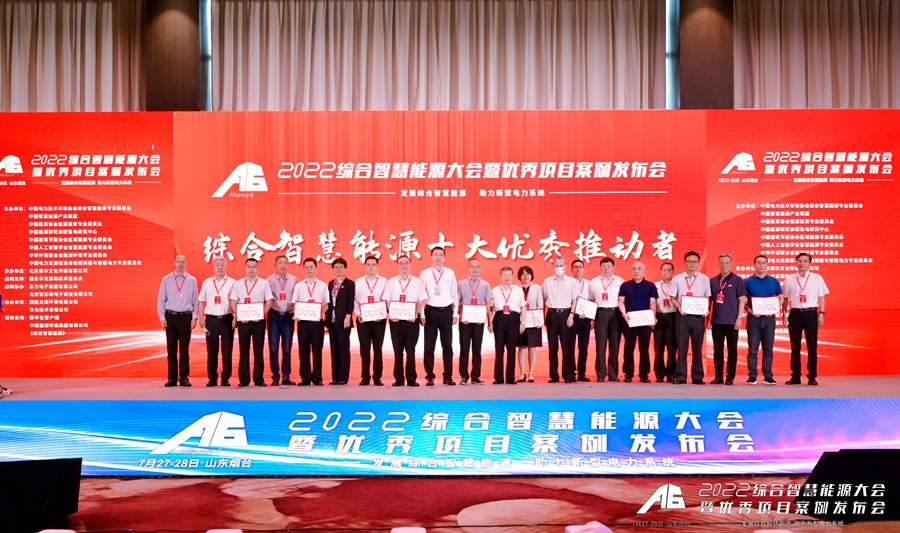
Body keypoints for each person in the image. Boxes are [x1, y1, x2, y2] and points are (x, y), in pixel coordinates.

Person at [782, 252, 829, 386]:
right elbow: (785, 298)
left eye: (805, 261)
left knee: (812, 346)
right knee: (795, 346)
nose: (802, 263)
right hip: (795, 313)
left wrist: (821, 313)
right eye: (799, 261)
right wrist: (784, 314)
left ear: (809, 263)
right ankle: (795, 376)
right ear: (796, 263)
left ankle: (812, 376)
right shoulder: (790, 279)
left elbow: (821, 297)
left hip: (811, 313)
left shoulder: (817, 278)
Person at [229, 258, 274, 387]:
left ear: (258, 268)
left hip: (258, 321)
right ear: (245, 268)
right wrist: (238, 314)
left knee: (258, 350)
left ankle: (259, 379)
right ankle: (244, 379)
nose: (251, 269)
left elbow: (269, 302)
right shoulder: (238, 284)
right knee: (244, 350)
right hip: (243, 321)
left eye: (254, 266)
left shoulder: (264, 283)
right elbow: (233, 302)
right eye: (249, 266)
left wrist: (261, 314)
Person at [384, 255, 428, 386]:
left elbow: (421, 300)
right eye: (401, 263)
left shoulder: (417, 282)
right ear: (397, 265)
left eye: (406, 263)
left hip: (412, 320)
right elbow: (387, 300)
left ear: (410, 265)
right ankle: (398, 379)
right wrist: (392, 313)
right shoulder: (391, 282)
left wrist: (417, 314)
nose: (404, 265)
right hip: (396, 321)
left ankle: (411, 378)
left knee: (411, 350)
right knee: (397, 350)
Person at [669, 251, 711, 385]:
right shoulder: (677, 279)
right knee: (682, 347)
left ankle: (697, 376)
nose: (692, 264)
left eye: (694, 261)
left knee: (697, 348)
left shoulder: (704, 279)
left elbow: (707, 297)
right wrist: (680, 307)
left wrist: (705, 309)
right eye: (689, 261)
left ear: (698, 263)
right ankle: (681, 376)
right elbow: (672, 297)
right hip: (682, 317)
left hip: (698, 317)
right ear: (685, 263)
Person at [420, 247, 459, 386]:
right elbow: (421, 295)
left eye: (441, 255)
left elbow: (454, 294)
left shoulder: (450, 273)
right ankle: (429, 376)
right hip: (430, 311)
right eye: (435, 255)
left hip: (446, 311)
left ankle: (447, 376)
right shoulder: (424, 274)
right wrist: (422, 314)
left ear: (444, 258)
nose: (438, 257)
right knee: (429, 347)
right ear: (431, 257)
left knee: (447, 346)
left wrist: (455, 312)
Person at [157, 254, 198, 387]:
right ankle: (172, 378)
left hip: (186, 317)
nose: (180, 264)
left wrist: (194, 317)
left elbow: (195, 301)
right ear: (174, 263)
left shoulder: (192, 280)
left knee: (184, 350)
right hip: (171, 317)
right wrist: (162, 317)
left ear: (186, 263)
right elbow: (161, 300)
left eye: (183, 262)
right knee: (172, 350)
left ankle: (184, 377)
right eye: (178, 262)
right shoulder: (166, 279)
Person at [709, 253, 747, 386]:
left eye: (726, 263)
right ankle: (718, 376)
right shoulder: (713, 281)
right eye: (722, 263)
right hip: (717, 321)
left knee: (732, 350)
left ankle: (730, 376)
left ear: (731, 264)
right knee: (717, 350)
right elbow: (710, 301)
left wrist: (739, 318)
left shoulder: (738, 280)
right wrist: (709, 317)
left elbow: (742, 300)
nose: (724, 265)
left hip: (732, 321)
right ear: (718, 264)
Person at [744, 254, 783, 385]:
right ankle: (752, 376)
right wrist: (750, 311)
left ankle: (768, 376)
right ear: (754, 265)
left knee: (768, 349)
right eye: (759, 263)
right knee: (752, 349)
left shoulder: (774, 281)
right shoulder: (747, 282)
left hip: (769, 319)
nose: (761, 265)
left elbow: (781, 297)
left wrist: (775, 308)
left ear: (767, 265)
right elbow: (741, 301)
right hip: (753, 319)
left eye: (764, 263)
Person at [617, 262, 658, 383]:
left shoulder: (650, 286)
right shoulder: (625, 285)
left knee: (644, 348)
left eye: (639, 269)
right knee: (628, 347)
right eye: (634, 269)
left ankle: (644, 374)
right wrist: (624, 314)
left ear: (644, 271)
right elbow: (621, 302)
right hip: (630, 321)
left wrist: (653, 317)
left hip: (645, 322)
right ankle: (628, 374)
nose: (636, 271)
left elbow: (652, 303)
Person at [198, 257, 236, 386]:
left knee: (227, 350)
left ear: (226, 267)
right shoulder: (207, 282)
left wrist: (236, 316)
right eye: (217, 265)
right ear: (213, 267)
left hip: (227, 318)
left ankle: (225, 377)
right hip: (211, 320)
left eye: (222, 265)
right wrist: (201, 317)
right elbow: (201, 301)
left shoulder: (232, 282)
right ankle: (212, 378)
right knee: (212, 350)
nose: (220, 267)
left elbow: (236, 301)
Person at [292, 258, 329, 386]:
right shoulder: (299, 286)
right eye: (306, 267)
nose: (309, 270)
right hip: (303, 322)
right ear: (304, 269)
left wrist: (320, 314)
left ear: (316, 268)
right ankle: (305, 378)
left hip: (317, 322)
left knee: (317, 350)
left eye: (311, 267)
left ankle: (317, 378)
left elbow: (326, 304)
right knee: (303, 350)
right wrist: (297, 313)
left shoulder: (323, 285)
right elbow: (295, 303)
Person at [541, 255, 577, 383]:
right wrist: (542, 316)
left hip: (566, 314)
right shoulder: (547, 281)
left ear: (565, 266)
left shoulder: (572, 282)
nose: (559, 268)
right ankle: (554, 375)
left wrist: (571, 315)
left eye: (561, 265)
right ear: (553, 266)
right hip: (552, 314)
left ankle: (568, 375)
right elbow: (544, 299)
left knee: (567, 347)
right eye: (556, 265)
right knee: (552, 347)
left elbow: (575, 300)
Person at [488, 267, 527, 384]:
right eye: (504, 275)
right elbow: (490, 308)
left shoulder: (518, 290)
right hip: (499, 318)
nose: (507, 278)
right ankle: (498, 378)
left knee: (511, 349)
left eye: (509, 275)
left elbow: (523, 307)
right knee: (499, 349)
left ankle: (510, 378)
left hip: (513, 318)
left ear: (512, 276)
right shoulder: (495, 290)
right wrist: (489, 323)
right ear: (500, 276)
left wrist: (523, 322)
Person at [457, 259, 492, 385]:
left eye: (477, 267)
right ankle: (464, 376)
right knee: (464, 349)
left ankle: (476, 376)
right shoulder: (461, 284)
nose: (474, 269)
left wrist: (488, 320)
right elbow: (457, 302)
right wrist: (460, 314)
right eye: (472, 266)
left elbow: (489, 304)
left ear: (480, 269)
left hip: (479, 322)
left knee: (477, 349)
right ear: (468, 268)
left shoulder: (485, 285)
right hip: (465, 322)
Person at [354, 255, 387, 386]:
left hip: (379, 320)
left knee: (378, 349)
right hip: (363, 321)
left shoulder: (384, 281)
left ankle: (377, 377)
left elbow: (387, 300)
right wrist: (359, 314)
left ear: (377, 266)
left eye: (373, 265)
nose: (371, 267)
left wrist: (383, 313)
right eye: (368, 265)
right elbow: (355, 300)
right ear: (365, 266)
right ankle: (365, 377)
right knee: (364, 349)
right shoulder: (359, 282)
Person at [589, 257, 624, 382]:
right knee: (600, 345)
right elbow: (591, 300)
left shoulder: (620, 281)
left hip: (615, 314)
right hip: (600, 313)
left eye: (609, 266)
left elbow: (622, 300)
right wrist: (591, 317)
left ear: (613, 267)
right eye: (604, 266)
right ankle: (601, 374)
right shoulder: (593, 282)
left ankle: (613, 373)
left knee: (615, 345)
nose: (606, 268)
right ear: (601, 267)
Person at [266, 255, 298, 386]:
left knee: (287, 348)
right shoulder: (269, 281)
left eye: (285, 263)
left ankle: (286, 376)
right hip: (274, 316)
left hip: (288, 316)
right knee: (273, 348)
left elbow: (297, 298)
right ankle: (275, 376)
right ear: (275, 265)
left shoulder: (294, 280)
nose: (283, 265)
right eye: (280, 263)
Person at [327, 258, 355, 385]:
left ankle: (343, 377)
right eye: (336, 267)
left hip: (344, 321)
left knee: (343, 349)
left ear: (345, 268)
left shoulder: (350, 284)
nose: (338, 269)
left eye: (341, 267)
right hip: (332, 321)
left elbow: (350, 302)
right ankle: (335, 377)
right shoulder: (330, 284)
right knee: (334, 349)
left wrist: (348, 317)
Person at [516, 265, 543, 383]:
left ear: (532, 276)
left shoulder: (537, 288)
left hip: (533, 322)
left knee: (532, 347)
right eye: (523, 274)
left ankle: (531, 373)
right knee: (521, 347)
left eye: (528, 274)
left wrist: (539, 321)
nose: (526, 276)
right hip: (520, 321)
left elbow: (540, 305)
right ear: (519, 276)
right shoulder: (515, 288)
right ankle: (522, 373)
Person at [653, 261, 677, 383]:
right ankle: (660, 374)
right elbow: (652, 302)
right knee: (658, 348)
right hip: (659, 317)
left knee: (672, 348)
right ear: (661, 271)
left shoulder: (677, 284)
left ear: (673, 271)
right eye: (664, 270)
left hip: (673, 317)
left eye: (669, 270)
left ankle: (671, 373)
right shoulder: (655, 285)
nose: (666, 272)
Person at [569, 259, 592, 382]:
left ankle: (582, 373)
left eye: (580, 267)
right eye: (575, 267)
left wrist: (590, 316)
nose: (578, 269)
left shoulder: (589, 283)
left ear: (584, 269)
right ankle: (571, 373)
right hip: (572, 318)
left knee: (583, 348)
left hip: (585, 318)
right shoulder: (568, 283)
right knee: (570, 347)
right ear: (571, 269)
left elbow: (592, 300)